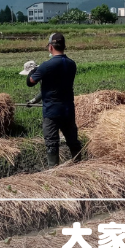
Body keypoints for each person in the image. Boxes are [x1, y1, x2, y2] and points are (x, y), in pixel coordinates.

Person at [23, 32, 83, 167]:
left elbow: (30, 82)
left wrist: (33, 70)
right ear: (64, 46)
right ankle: (79, 166)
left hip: (52, 110)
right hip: (68, 109)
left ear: (50, 47)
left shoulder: (46, 66)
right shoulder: (71, 64)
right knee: (72, 140)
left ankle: (53, 171)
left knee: (52, 143)